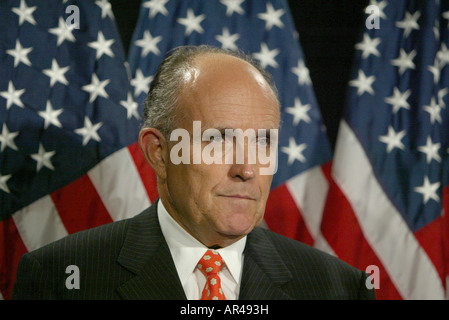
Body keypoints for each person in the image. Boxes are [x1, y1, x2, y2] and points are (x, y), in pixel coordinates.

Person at [12, 45, 375, 300]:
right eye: (219, 139)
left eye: (264, 141)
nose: (248, 169)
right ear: (159, 152)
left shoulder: (338, 288)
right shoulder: (61, 279)